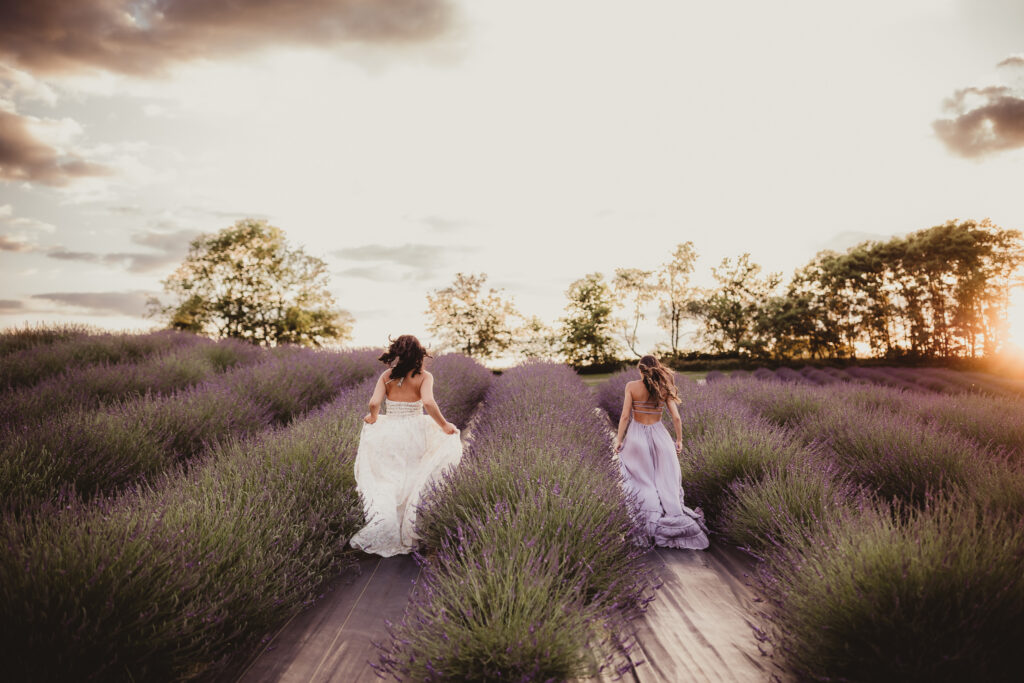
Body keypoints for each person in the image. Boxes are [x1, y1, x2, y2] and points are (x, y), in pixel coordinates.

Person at [349, 335, 462, 557]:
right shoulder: (424, 376)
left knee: (390, 478)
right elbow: (428, 403)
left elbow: (374, 403)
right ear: (419, 353)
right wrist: (444, 424)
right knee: (413, 476)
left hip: (390, 431)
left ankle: (386, 526)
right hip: (415, 431)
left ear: (397, 353)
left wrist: (374, 417)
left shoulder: (387, 376)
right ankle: (410, 529)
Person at [613, 355, 709, 550]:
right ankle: (668, 517)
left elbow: (624, 416)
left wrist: (619, 439)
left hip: (637, 437)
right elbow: (676, 417)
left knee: (642, 481)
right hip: (660, 436)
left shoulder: (631, 386)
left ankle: (648, 523)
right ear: (657, 368)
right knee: (665, 480)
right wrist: (679, 440)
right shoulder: (664, 387)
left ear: (640, 370)